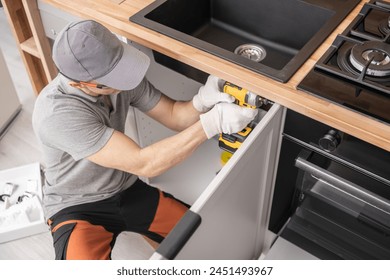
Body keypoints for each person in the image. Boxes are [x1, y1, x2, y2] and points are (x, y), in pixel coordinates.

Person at [32, 20, 257, 260]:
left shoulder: (119, 79)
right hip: (78, 207)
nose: (125, 80)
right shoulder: (56, 114)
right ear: (81, 84)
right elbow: (144, 162)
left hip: (128, 189)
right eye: (113, 78)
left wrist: (202, 100)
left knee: (201, 239)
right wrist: (213, 123)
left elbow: (174, 115)